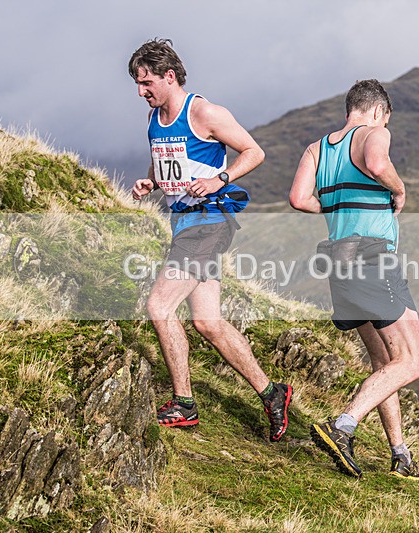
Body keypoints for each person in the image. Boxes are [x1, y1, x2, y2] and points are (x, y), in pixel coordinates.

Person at [128, 39, 292, 440]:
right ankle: (272, 393)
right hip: (182, 224)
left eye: (147, 82)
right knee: (208, 322)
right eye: (136, 83)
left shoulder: (204, 112)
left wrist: (220, 178)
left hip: (210, 220)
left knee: (159, 305)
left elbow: (254, 152)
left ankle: (184, 403)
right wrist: (152, 180)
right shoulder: (154, 118)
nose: (141, 91)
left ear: (170, 76)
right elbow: (163, 158)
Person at [289, 79, 419, 479]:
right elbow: (379, 165)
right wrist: (399, 192)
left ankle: (400, 453)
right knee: (413, 361)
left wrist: (338, 204)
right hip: (372, 259)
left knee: (384, 360)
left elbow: (298, 199)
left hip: (339, 262)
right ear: (379, 111)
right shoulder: (375, 132)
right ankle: (342, 427)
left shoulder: (317, 149)